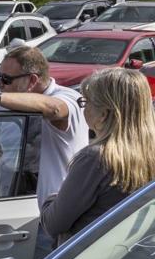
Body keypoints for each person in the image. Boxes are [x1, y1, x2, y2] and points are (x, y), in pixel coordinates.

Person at [0, 45, 88, 259]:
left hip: (56, 218)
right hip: (14, 211)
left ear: (32, 80)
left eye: (7, 79)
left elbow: (54, 109)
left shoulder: (67, 98)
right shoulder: (6, 107)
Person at [40, 68, 155, 245]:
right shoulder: (148, 152)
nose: (83, 109)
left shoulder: (96, 158)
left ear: (104, 114)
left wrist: (53, 197)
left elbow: (53, 223)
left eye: (86, 103)